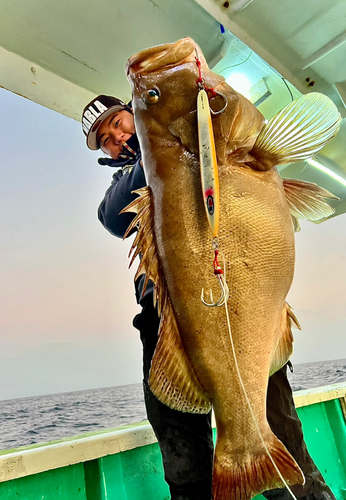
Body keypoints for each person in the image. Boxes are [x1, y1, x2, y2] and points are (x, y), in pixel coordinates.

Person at [82, 94, 336, 500]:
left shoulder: (210, 145)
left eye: (117, 122)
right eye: (104, 139)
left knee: (281, 434)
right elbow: (112, 217)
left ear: (133, 114)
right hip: (166, 326)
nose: (115, 136)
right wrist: (156, 146)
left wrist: (169, 129)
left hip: (243, 315)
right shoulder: (124, 189)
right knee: (181, 449)